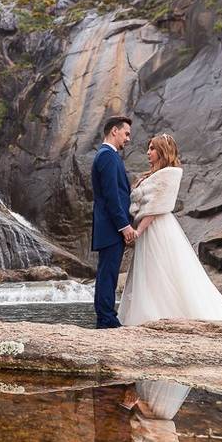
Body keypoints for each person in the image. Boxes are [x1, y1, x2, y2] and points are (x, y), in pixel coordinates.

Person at [118, 133, 222, 324]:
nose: (148, 152)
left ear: (162, 152)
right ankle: (150, 313)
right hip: (149, 227)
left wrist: (138, 232)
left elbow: (156, 207)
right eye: (149, 148)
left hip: (157, 227)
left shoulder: (169, 174)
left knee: (161, 269)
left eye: (152, 148)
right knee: (151, 271)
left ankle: (160, 315)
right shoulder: (151, 174)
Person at [91, 116, 137, 329]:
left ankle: (106, 317)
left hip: (109, 226)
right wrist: (124, 225)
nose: (128, 138)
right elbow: (111, 196)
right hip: (111, 227)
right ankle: (106, 320)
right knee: (108, 274)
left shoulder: (109, 156)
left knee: (107, 272)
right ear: (114, 132)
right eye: (126, 133)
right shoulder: (107, 156)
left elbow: (119, 191)